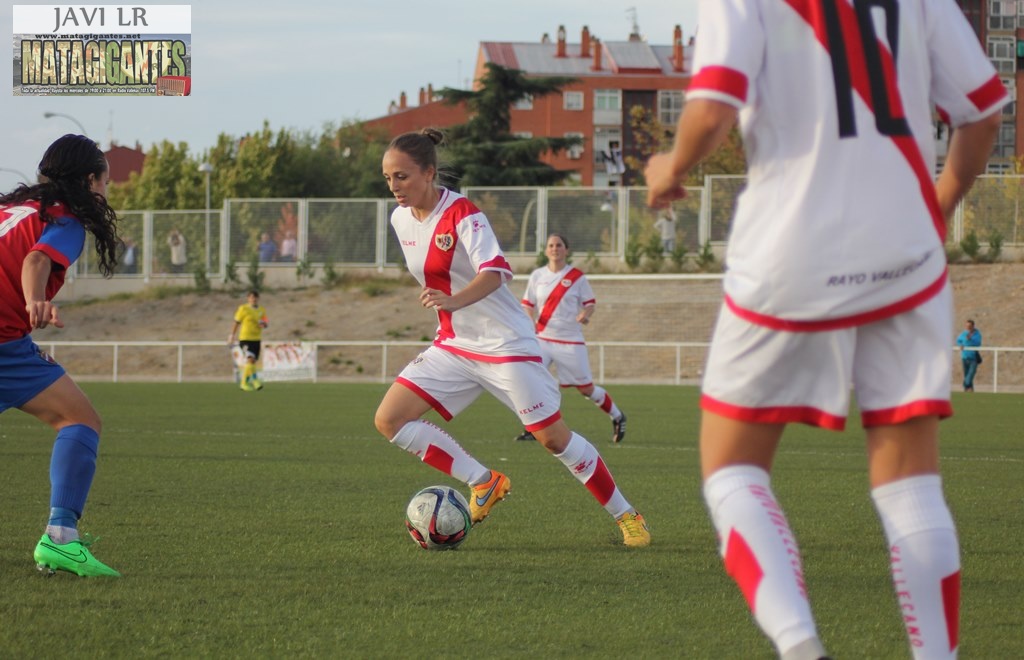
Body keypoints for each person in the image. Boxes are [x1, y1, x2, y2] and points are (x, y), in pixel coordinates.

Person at [644, 3, 1005, 659]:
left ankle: (801, 646)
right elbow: (982, 111)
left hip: (791, 255)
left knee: (732, 471)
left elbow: (714, 106)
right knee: (912, 484)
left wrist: (669, 169)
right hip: (906, 255)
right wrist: (940, 206)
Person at [375, 128, 650, 547]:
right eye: (388, 178)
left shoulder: (464, 214)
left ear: (429, 173)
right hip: (455, 344)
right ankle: (483, 481)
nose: (394, 187)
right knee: (390, 420)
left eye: (402, 176)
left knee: (553, 439)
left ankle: (627, 515)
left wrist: (453, 300)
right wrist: (451, 309)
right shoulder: (400, 219)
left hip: (506, 344)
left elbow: (496, 271)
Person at [0, 134, 123, 577]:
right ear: (90, 180)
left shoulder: (11, 210)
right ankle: (61, 539)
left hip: (10, 342)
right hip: (3, 345)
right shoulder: (65, 221)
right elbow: (36, 260)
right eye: (105, 181)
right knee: (80, 420)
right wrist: (35, 299)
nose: (106, 192)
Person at [515, 233, 626, 443]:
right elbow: (527, 305)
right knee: (530, 380)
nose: (555, 249)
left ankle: (618, 416)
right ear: (546, 250)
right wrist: (530, 326)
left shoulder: (577, 277)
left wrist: (585, 314)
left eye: (559, 245)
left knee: (586, 389)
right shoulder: (537, 276)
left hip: (570, 341)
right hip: (543, 339)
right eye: (551, 245)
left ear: (566, 250)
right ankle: (533, 427)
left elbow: (590, 304)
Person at [227, 290, 268, 392]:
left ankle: (255, 381)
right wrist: (231, 335)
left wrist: (263, 324)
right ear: (248, 298)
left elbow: (265, 323)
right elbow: (236, 322)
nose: (253, 299)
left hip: (256, 339)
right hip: (245, 339)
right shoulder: (243, 309)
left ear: (258, 298)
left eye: (255, 297)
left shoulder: (262, 310)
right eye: (251, 297)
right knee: (250, 359)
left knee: (252, 362)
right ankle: (244, 383)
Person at [955, 319, 982, 392]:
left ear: (973, 326)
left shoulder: (977, 334)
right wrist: (960, 345)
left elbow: (978, 343)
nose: (968, 327)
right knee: (966, 374)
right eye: (967, 326)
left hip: (973, 357)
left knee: (971, 373)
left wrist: (970, 340)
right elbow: (958, 341)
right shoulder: (963, 333)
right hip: (964, 356)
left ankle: (965, 384)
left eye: (969, 326)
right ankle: (969, 389)